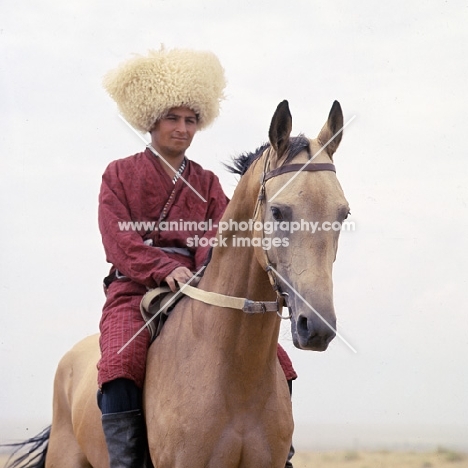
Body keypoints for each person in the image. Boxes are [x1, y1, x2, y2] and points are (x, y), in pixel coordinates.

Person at [97, 46, 297, 467]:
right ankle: (128, 461)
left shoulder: (205, 183)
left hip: (200, 286)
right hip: (135, 288)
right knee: (120, 360)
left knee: (279, 362)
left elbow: (221, 238)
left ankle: (279, 449)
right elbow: (118, 238)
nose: (182, 128)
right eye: (172, 118)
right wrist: (165, 267)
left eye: (190, 120)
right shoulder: (119, 174)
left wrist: (201, 271)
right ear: (151, 121)